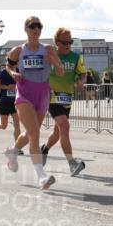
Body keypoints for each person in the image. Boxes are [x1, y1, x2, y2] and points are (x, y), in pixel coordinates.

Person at [4, 17, 64, 190]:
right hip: (24, 94)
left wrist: (54, 62)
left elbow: (60, 72)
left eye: (39, 26)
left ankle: (13, 151)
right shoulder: (17, 51)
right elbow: (8, 66)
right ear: (26, 28)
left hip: (42, 94)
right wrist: (13, 74)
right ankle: (42, 177)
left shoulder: (48, 49)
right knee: (34, 133)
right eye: (33, 26)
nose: (36, 29)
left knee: (31, 133)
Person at [41, 27, 88, 177]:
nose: (68, 45)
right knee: (64, 125)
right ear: (57, 42)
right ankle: (72, 163)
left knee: (58, 132)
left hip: (67, 98)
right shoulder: (49, 56)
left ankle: (44, 149)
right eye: (65, 42)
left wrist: (80, 81)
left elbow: (83, 74)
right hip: (51, 96)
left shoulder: (76, 57)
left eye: (70, 42)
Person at [0, 64, 21, 145]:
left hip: (15, 102)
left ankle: (17, 148)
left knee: (17, 125)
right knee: (4, 126)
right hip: (4, 101)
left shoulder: (19, 71)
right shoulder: (4, 72)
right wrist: (7, 87)